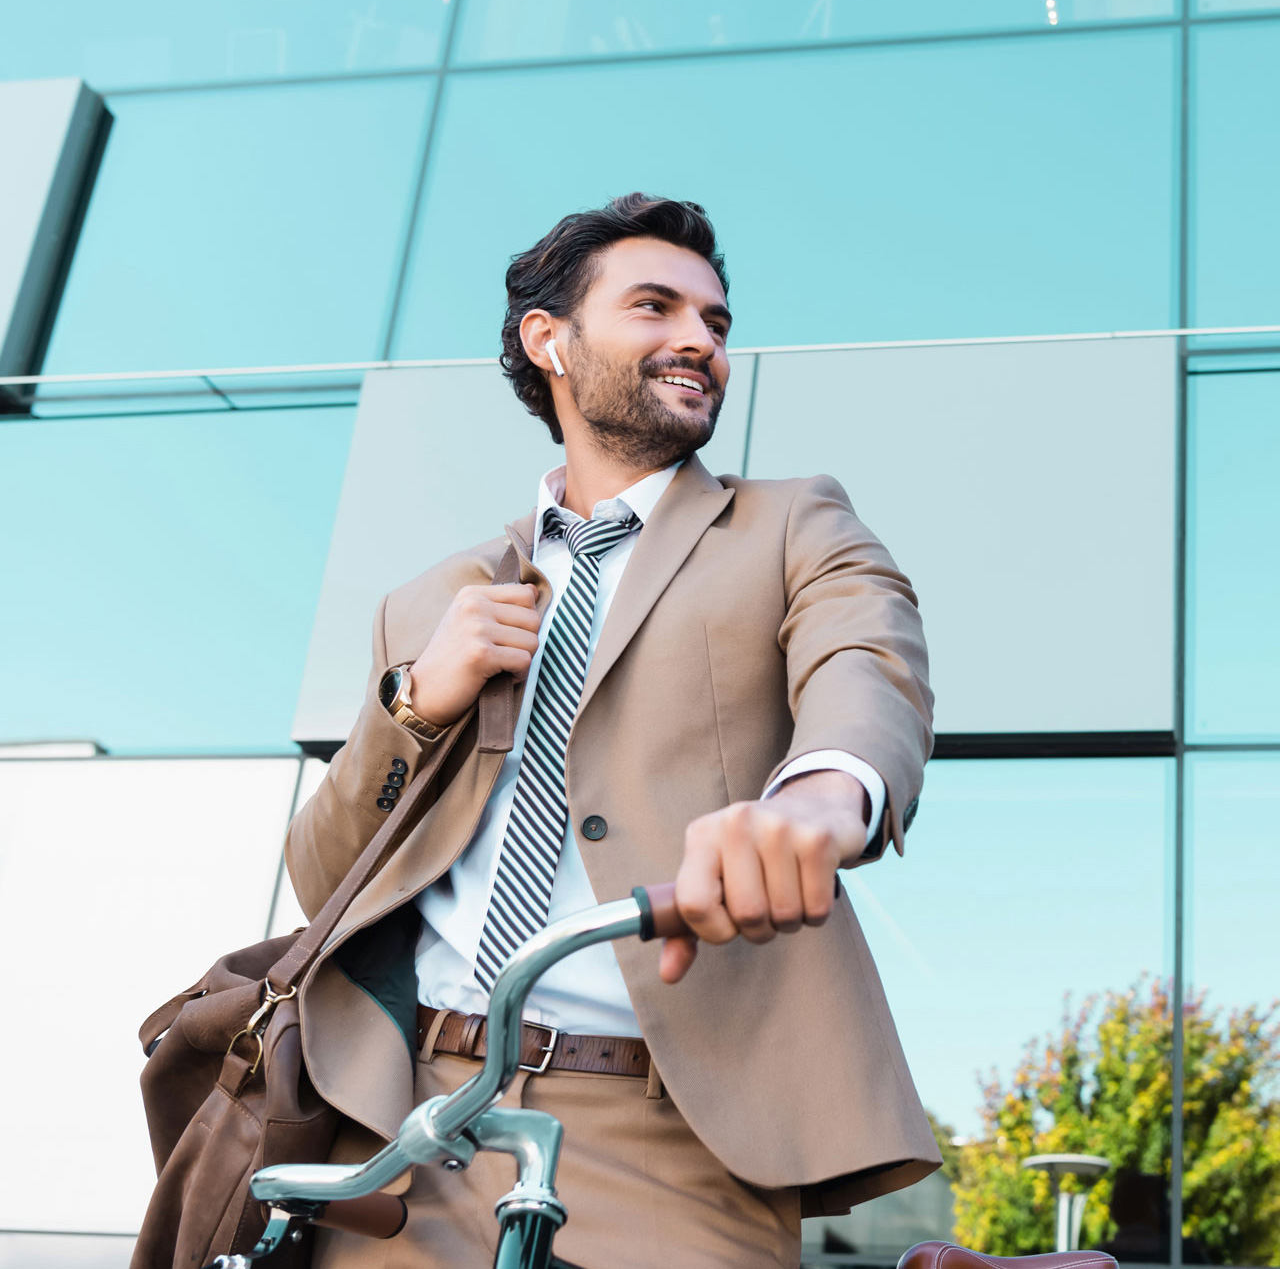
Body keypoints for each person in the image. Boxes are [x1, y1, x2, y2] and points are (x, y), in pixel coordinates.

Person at [286, 193, 939, 1269]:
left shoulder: (791, 523)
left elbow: (867, 667)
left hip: (671, 1136)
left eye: (715, 321)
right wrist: (416, 702)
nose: (700, 339)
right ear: (550, 340)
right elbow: (326, 881)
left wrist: (820, 799)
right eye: (655, 306)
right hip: (409, 1123)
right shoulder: (431, 600)